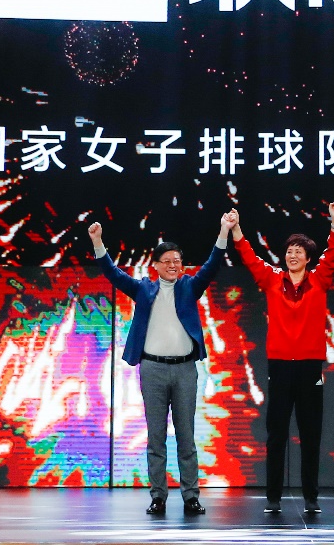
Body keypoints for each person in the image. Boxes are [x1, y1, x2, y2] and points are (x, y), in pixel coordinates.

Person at [88, 211, 238, 515]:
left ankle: (191, 496)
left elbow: (212, 265)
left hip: (184, 370)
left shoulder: (189, 286)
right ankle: (158, 496)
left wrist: (224, 230)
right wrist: (97, 241)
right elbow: (113, 274)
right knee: (155, 438)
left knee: (186, 437)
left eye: (177, 261)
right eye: (167, 261)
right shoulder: (143, 289)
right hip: (153, 369)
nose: (173, 265)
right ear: (155, 265)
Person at [229, 201, 334, 516]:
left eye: (299, 252)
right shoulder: (272, 279)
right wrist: (237, 229)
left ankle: (311, 497)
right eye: (289, 251)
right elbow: (249, 257)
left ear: (308, 258)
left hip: (310, 368)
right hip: (280, 367)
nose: (293, 255)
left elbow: (333, 252)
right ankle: (273, 497)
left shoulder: (320, 280)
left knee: (311, 434)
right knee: (276, 435)